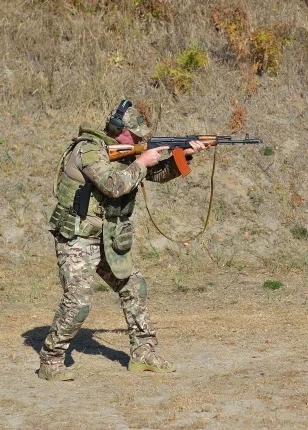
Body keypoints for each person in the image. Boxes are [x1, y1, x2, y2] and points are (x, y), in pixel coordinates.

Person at [39, 99, 207, 381]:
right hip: (77, 238)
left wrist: (185, 155)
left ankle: (143, 353)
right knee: (78, 302)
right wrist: (142, 161)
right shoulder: (89, 150)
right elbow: (113, 186)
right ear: (117, 129)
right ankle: (51, 359)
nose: (141, 138)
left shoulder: (127, 154)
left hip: (108, 236)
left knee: (134, 286)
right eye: (135, 133)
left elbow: (158, 173)